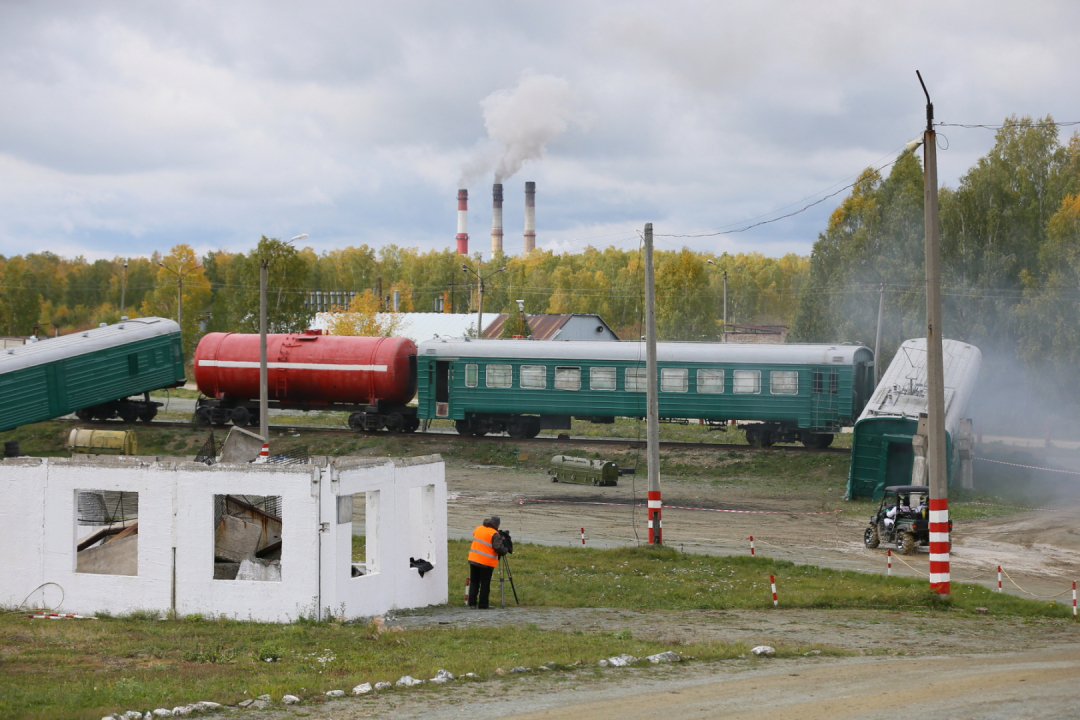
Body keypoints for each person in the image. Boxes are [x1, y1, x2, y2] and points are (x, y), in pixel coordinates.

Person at [467, 516, 508, 609]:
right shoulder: (494, 534)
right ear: (497, 525)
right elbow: (498, 548)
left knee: (474, 582)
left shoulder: (478, 529)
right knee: (485, 583)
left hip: (473, 559)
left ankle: (472, 604)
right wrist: (505, 550)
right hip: (486, 562)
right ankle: (483, 604)